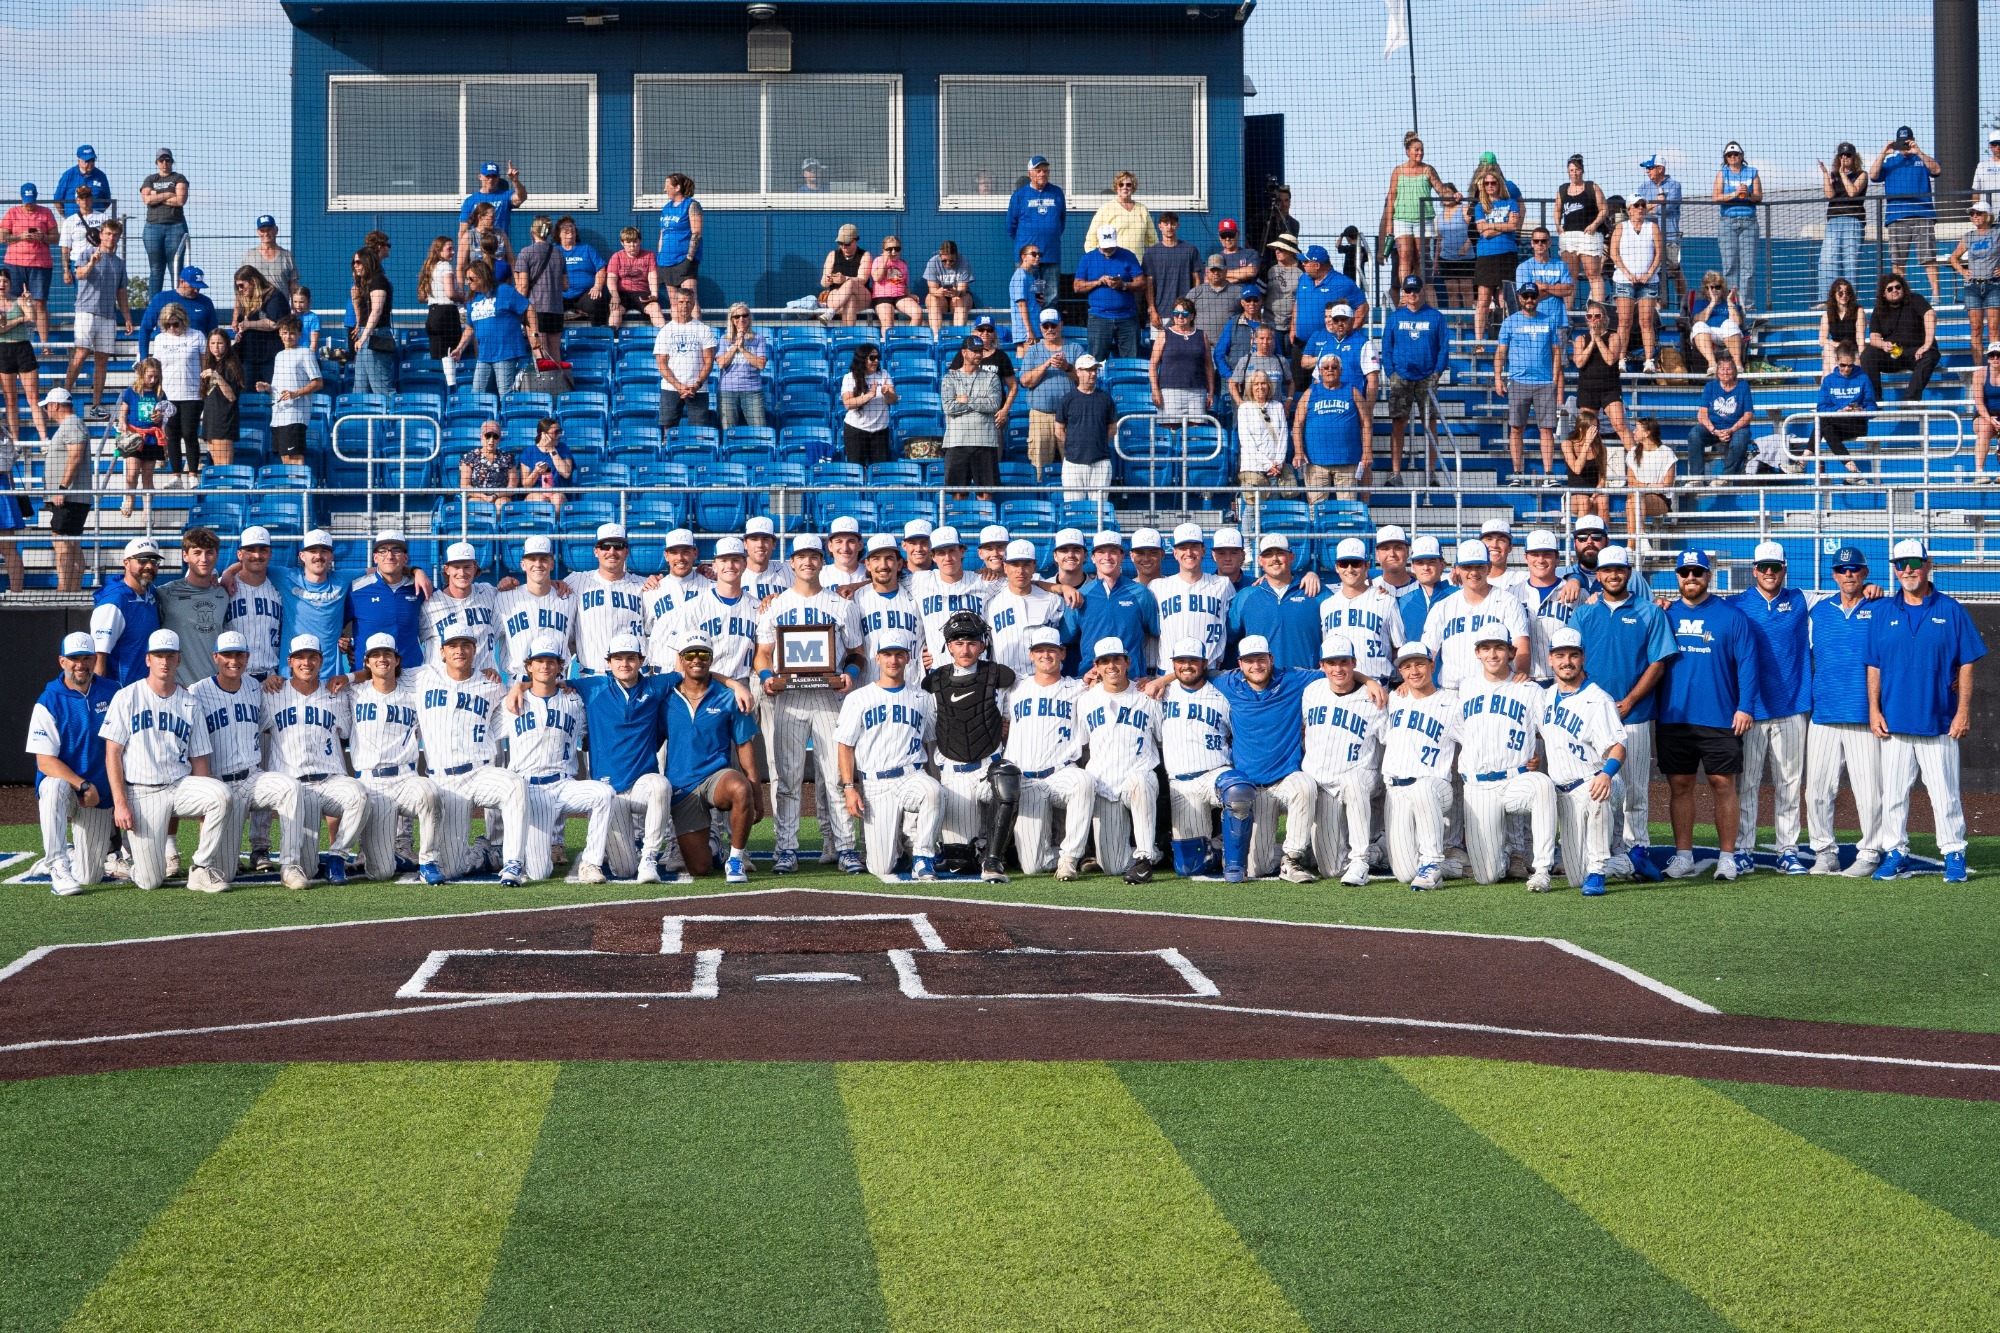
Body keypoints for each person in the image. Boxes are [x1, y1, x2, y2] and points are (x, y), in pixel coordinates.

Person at [1867, 540, 1984, 883]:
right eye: (1900, 564)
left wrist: (1963, 711)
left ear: (1928, 564)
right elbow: (1873, 667)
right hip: (1894, 723)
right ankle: (1895, 852)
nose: (1907, 570)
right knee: (1893, 796)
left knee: (1945, 793)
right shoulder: (1883, 611)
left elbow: (1966, 665)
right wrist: (1874, 710)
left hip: (1940, 721)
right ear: (1894, 568)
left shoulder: (1951, 609)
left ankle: (1953, 853)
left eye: (1914, 562)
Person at [755, 534, 864, 873]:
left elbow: (856, 652)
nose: (808, 562)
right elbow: (762, 654)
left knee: (834, 775)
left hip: (828, 696)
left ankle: (846, 847)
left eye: (814, 556)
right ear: (791, 562)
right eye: (801, 556)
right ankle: (786, 848)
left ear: (822, 561)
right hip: (789, 697)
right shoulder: (775, 605)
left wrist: (850, 673)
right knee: (786, 778)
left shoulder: (841, 605)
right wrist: (765, 677)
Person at [1567, 545, 1674, 880]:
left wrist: (1628, 701)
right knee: (1596, 788)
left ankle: (1636, 851)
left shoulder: (1649, 611)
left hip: (1635, 715)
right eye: (1606, 570)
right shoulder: (1584, 613)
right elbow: (1572, 662)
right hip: (1591, 720)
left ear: (1629, 573)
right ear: (1597, 575)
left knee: (1636, 790)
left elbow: (1658, 663)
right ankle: (1602, 852)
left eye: (1619, 570)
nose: (1613, 575)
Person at [99, 629, 232, 893]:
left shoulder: (190, 703)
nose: (164, 662)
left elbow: (199, 758)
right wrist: (121, 804)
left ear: (178, 660)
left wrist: (204, 804)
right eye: (159, 655)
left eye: (170, 656)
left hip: (180, 786)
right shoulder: (127, 697)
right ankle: (126, 859)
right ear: (148, 659)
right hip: (143, 792)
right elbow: (112, 754)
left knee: (221, 794)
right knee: (150, 881)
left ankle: (200, 869)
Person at [1656, 549, 1756, 881]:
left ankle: (1727, 856)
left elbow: (1747, 664)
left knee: (1723, 784)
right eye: (1685, 573)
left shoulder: (1732, 616)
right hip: (1675, 716)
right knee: (1680, 785)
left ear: (1708, 576)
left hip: (1720, 716)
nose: (1691, 578)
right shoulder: (1664, 615)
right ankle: (1684, 855)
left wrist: (1745, 707)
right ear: (1677, 577)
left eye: (1697, 572)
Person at [190, 630, 313, 889]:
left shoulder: (256, 688)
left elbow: (271, 723)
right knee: (225, 872)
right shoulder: (197, 692)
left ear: (247, 657)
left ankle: (290, 865)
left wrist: (276, 681)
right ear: (215, 657)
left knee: (290, 788)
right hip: (220, 785)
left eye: (239, 655)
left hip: (252, 778)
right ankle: (207, 866)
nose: (233, 660)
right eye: (227, 655)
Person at [410, 626, 530, 885]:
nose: (459, 651)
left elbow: (531, 691)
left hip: (479, 772)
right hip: (444, 781)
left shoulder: (491, 684)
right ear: (441, 652)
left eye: (465, 645)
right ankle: (483, 854)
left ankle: (513, 862)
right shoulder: (421, 677)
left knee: (515, 785)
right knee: (451, 869)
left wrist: (521, 684)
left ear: (475, 651)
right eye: (453, 645)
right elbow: (383, 672)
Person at [499, 635, 619, 884]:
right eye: (539, 661)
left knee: (603, 794)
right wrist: (517, 687)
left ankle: (591, 863)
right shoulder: (512, 703)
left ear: (560, 666)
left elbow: (588, 736)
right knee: (539, 872)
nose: (545, 666)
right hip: (530, 789)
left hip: (564, 785)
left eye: (551, 661)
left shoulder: (574, 701)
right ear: (529, 666)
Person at [1725, 540, 1813, 874]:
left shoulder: (1802, 599)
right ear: (1754, 570)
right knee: (1747, 783)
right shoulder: (1735, 605)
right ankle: (1744, 847)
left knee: (1789, 783)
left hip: (1791, 708)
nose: (1769, 573)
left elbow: (1844, 597)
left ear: (1784, 569)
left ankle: (1787, 850)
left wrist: (1873, 590)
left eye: (1775, 567)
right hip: (1750, 711)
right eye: (1763, 567)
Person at [1801, 546, 1887, 878]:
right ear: (1833, 575)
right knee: (1817, 790)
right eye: (1841, 569)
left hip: (1864, 716)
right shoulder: (1818, 612)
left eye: (1854, 569)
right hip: (1823, 715)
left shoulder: (1881, 608)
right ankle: (1824, 852)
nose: (1848, 574)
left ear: (1865, 573)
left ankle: (1869, 851)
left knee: (1869, 791)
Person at [1452, 625, 1557, 890]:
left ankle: (1542, 867)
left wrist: (1534, 754)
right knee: (1487, 875)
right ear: (1477, 653)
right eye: (1486, 648)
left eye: (1499, 647)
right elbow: (1453, 730)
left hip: (1514, 780)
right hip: (1478, 786)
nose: (1493, 654)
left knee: (1542, 785)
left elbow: (1552, 732)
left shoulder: (1530, 690)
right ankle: (1506, 854)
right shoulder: (1465, 688)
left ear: (1511, 652)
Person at [833, 633, 941, 882]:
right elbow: (845, 745)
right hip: (876, 783)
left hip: (911, 775)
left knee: (933, 791)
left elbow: (931, 739)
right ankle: (900, 851)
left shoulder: (922, 698)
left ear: (908, 658)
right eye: (888, 655)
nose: (894, 660)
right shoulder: (859, 698)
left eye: (899, 655)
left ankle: (923, 855)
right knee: (881, 868)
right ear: (877, 658)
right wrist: (850, 788)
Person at [565, 633, 673, 883]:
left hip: (641, 787)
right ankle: (625, 856)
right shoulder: (592, 687)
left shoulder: (655, 687)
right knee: (624, 870)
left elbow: (691, 674)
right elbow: (549, 683)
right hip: (610, 793)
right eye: (618, 658)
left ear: (642, 660)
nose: (624, 664)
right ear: (609, 662)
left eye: (631, 658)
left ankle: (649, 858)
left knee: (661, 785)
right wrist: (519, 686)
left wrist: (735, 685)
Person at [920, 612, 1019, 880]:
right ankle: (978, 850)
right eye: (959, 643)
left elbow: (1011, 714)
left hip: (988, 767)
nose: (966, 649)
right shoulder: (935, 681)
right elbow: (931, 730)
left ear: (983, 645)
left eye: (972, 643)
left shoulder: (999, 676)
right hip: (954, 772)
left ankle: (994, 859)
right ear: (949, 646)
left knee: (1008, 779)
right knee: (958, 861)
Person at [342, 632, 447, 883]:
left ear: (397, 660)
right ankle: (392, 858)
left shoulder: (415, 691)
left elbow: (453, 670)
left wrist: (524, 683)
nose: (382, 659)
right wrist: (349, 676)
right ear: (366, 662)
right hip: (371, 782)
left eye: (387, 654)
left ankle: (428, 862)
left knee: (430, 793)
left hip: (405, 777)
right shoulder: (353, 693)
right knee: (381, 873)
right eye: (375, 655)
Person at [659, 634, 762, 882]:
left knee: (740, 788)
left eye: (703, 654)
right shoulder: (664, 696)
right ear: (680, 660)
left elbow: (744, 746)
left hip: (717, 777)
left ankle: (736, 860)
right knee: (700, 868)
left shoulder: (728, 697)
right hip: (682, 786)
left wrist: (756, 792)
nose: (697, 659)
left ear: (711, 659)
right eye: (690, 655)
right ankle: (715, 846)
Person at [29, 632, 122, 896]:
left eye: (85, 658)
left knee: (90, 876)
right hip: (72, 788)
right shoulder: (49, 700)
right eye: (73, 659)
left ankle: (67, 855)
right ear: (62, 662)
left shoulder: (114, 691)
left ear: (94, 659)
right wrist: (82, 785)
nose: (80, 664)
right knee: (53, 786)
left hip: (99, 796)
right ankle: (57, 863)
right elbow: (45, 761)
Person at [1073, 636, 1162, 882]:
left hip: (1138, 775)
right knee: (1112, 866)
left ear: (1127, 662)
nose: (1111, 666)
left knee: (1141, 782)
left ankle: (1145, 858)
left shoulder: (1147, 695)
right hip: (1104, 783)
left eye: (1116, 659)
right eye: (1105, 661)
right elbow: (1081, 745)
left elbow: (1164, 739)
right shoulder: (1085, 700)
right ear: (1097, 667)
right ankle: (1156, 851)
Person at [1379, 640, 1458, 889]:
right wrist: (1370, 681)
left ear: (1432, 666)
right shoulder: (1394, 700)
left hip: (1436, 787)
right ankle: (1455, 864)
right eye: (1407, 666)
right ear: (1400, 673)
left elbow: (1475, 742)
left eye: (1420, 664)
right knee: (1404, 873)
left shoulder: (1453, 702)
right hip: (1397, 790)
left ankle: (1433, 861)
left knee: (1423, 788)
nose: (1414, 671)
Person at [1495, 283, 1563, 486]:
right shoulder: (1509, 322)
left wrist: (1554, 380)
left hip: (1544, 383)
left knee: (1547, 429)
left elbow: (1556, 352)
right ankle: (1517, 473)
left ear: (1537, 298)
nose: (1529, 299)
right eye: (1526, 296)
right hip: (1518, 382)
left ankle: (1549, 474)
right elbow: (1500, 352)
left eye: (1533, 296)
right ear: (1519, 298)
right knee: (1516, 428)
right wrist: (1498, 377)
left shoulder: (1549, 322)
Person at [1871, 127, 1944, 303]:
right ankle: (1900, 296)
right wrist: (1883, 152)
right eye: (1900, 143)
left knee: (1928, 257)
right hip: (1897, 217)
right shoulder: (1890, 161)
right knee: (1898, 261)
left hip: (1922, 214)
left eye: (1907, 142)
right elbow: (1873, 175)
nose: (1904, 146)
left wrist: (1918, 151)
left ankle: (1936, 295)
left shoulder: (1920, 158)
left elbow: (1937, 171)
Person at [66, 219, 130, 420]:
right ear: (101, 234)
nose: (111, 238)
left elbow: (121, 292)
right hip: (86, 311)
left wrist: (126, 317)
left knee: (102, 361)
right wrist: (92, 262)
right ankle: (64, 395)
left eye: (115, 235)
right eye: (108, 233)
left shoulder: (119, 263)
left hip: (108, 315)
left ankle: (96, 405)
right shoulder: (86, 253)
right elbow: (79, 275)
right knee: (82, 353)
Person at [154, 527, 227, 685]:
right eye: (197, 552)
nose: (204, 559)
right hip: (180, 687)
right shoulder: (165, 594)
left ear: (216, 555)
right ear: (185, 555)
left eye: (209, 552)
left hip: (214, 687)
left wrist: (231, 571)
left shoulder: (224, 594)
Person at [1292, 353, 1367, 504]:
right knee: (1317, 512)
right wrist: (1299, 451)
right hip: (1316, 462)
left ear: (1340, 370)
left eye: (1334, 367)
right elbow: (1297, 424)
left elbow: (1366, 422)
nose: (1330, 370)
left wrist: (1367, 452)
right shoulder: (1310, 393)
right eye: (1325, 367)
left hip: (1347, 461)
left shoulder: (1352, 391)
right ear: (1320, 371)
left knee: (1349, 512)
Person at [1017, 310, 1081, 478]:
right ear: (1041, 328)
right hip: (1041, 415)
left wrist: (1067, 367)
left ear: (1061, 325)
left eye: (1054, 325)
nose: (1050, 329)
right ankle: (1039, 497)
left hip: (1069, 416)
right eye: (1046, 326)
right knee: (1039, 464)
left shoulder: (1075, 348)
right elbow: (1025, 382)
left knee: (1073, 463)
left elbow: (1087, 378)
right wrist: (1046, 365)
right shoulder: (1033, 351)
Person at [1377, 133, 1444, 292]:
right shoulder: (1398, 171)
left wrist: (1452, 195)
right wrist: (1389, 224)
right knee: (1405, 256)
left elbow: (1440, 188)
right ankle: (1406, 293)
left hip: (1424, 219)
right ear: (1408, 151)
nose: (1420, 153)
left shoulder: (1428, 169)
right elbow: (1391, 198)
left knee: (1420, 257)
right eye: (1416, 150)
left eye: (1422, 150)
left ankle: (1418, 292)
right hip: (1402, 219)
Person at [455, 260, 530, 400]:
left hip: (505, 353)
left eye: (472, 279)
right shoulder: (472, 300)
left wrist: (534, 333)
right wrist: (460, 348)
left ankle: (509, 420)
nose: (468, 283)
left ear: (482, 276)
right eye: (467, 280)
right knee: (477, 395)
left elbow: (528, 308)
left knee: (505, 395)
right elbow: (470, 328)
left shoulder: (504, 291)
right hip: (484, 355)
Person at [1860, 270, 1938, 405]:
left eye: (1898, 287)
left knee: (1931, 355)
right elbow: (1874, 337)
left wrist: (1926, 345)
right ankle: (1874, 400)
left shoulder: (1915, 299)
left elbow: (1930, 315)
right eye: (1889, 289)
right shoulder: (1879, 309)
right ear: (1884, 294)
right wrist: (1883, 345)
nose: (1894, 290)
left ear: (1903, 288)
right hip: (1893, 355)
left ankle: (1911, 399)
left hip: (1916, 353)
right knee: (1868, 354)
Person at [40, 389, 90, 591]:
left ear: (55, 405)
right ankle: (73, 590)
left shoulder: (71, 424)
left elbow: (76, 456)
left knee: (62, 545)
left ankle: (64, 591)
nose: (45, 411)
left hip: (69, 497)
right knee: (71, 545)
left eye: (47, 407)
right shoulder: (71, 424)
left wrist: (61, 488)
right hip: (70, 497)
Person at [940, 336, 1002, 496]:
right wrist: (979, 402)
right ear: (964, 352)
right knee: (958, 493)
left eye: (980, 351)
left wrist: (966, 400)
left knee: (986, 492)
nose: (978, 355)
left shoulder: (992, 377)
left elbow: (994, 405)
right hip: (957, 441)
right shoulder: (950, 378)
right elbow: (948, 406)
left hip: (984, 442)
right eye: (974, 351)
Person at [1054, 353, 1115, 510]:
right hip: (1073, 462)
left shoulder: (1106, 399)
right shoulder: (1067, 399)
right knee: (1074, 509)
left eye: (1094, 369)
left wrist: (1096, 444)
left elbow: (1112, 428)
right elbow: (1058, 429)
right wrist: (1072, 447)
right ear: (1078, 372)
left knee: (1100, 510)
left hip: (1100, 461)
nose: (1093, 373)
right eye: (1088, 370)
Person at [259, 316, 322, 467]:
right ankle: (293, 488)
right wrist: (267, 387)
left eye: (292, 333)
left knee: (295, 457)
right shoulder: (279, 356)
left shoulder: (306, 353)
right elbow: (278, 386)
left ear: (300, 334)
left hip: (295, 414)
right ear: (280, 333)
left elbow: (318, 383)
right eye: (285, 332)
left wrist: (296, 393)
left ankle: (301, 490)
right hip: (278, 414)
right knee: (285, 457)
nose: (288, 336)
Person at [1609, 197, 1662, 372]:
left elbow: (1659, 254)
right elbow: (1614, 253)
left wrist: (1649, 273)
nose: (1640, 208)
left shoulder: (1652, 227)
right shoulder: (1620, 228)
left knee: (1646, 321)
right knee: (1624, 321)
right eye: (1636, 205)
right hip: (1625, 280)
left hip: (1648, 281)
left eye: (1643, 205)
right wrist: (1627, 273)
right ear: (1629, 209)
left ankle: (1649, 361)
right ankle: (1621, 359)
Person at [1075, 226, 1143, 360]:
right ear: (1098, 241)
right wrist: (1098, 282)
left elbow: (1141, 283)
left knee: (1131, 361)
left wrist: (1122, 285)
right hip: (1099, 317)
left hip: (1127, 317)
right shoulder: (1087, 259)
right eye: (1105, 246)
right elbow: (1077, 287)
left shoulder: (1128, 256)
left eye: (1111, 246)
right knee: (1096, 361)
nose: (1109, 249)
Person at [653, 286, 716, 431]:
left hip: (698, 390)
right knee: (668, 429)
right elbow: (662, 364)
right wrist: (678, 386)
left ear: (693, 303)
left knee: (700, 431)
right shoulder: (666, 331)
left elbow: (709, 361)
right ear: (674, 303)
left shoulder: (704, 329)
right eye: (681, 302)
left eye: (688, 302)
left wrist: (696, 385)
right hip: (671, 388)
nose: (684, 305)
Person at [1469, 171, 1521, 342]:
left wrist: (1491, 226)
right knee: (1484, 299)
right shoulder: (1479, 207)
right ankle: (1479, 341)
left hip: (1507, 253)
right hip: (1486, 256)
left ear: (1499, 184)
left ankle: (1507, 339)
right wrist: (1502, 225)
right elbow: (1482, 231)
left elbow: (1513, 225)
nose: (1490, 185)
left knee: (1504, 298)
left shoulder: (1511, 202)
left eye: (1493, 182)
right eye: (1487, 183)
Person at [2, 183, 58, 344]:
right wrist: (21, 237)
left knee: (40, 302)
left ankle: (44, 344)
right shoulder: (12, 212)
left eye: (32, 200)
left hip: (40, 264)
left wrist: (43, 237)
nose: (29, 204)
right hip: (14, 263)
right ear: (21, 198)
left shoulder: (46, 212)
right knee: (12, 301)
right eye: (27, 201)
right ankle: (10, 340)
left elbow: (56, 237)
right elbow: (2, 237)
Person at [1007, 155, 1066, 304]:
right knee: (1026, 296)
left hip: (1051, 253)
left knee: (1051, 297)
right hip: (1027, 258)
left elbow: (1061, 221)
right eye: (1038, 171)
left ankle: (1048, 327)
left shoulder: (1057, 192)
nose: (1042, 174)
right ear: (1030, 174)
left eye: (1045, 171)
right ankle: (1028, 327)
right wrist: (1027, 242)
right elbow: (1010, 226)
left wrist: (1049, 235)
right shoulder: (1019, 195)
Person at [1687, 354, 1755, 481]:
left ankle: (1725, 478)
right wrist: (1714, 431)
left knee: (1741, 438)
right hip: (1713, 429)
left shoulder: (1743, 386)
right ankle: (1696, 479)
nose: (1725, 372)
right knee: (1694, 434)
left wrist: (1731, 430)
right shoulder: (1710, 387)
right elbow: (1701, 415)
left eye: (1728, 369)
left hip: (1736, 429)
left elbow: (1748, 415)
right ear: (1717, 372)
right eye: (1722, 369)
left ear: (1734, 371)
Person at [112, 356, 167, 512]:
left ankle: (147, 511)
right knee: (132, 473)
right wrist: (122, 423)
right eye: (149, 375)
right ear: (142, 373)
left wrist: (161, 416)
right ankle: (129, 500)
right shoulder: (131, 391)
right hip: (134, 437)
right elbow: (123, 413)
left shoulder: (160, 394)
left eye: (156, 376)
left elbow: (166, 415)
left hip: (152, 438)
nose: (152, 379)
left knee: (148, 477)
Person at [1816, 340, 1876, 480]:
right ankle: (1854, 472)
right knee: (1825, 426)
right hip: (1836, 424)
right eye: (1843, 365)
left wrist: (1862, 411)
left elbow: (1872, 407)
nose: (1847, 369)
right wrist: (1839, 410)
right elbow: (1821, 408)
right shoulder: (1829, 380)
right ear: (1837, 361)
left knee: (1822, 424)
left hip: (1857, 424)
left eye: (1850, 365)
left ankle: (1803, 461)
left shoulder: (1863, 378)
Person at [1713, 141, 1762, 309]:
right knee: (1729, 264)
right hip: (1727, 222)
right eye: (1729, 155)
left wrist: (1747, 194)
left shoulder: (1752, 172)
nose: (1733, 157)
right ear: (1726, 158)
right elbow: (1716, 197)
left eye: (1736, 154)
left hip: (1748, 221)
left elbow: (1759, 197)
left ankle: (1747, 303)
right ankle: (1732, 302)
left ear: (1741, 156)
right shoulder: (1722, 173)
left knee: (1748, 265)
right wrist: (1735, 194)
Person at [134, 148, 190, 296]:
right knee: (156, 269)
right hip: (153, 227)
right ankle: (153, 305)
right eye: (161, 160)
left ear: (172, 161)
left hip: (176, 226)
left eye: (168, 160)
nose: (164, 163)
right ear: (157, 162)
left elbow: (180, 200)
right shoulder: (151, 179)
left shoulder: (179, 178)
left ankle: (178, 301)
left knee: (176, 267)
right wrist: (168, 193)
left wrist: (156, 195)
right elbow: (146, 199)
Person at [1556, 155, 1609, 305]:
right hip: (1569, 236)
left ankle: (1599, 310)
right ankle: (1567, 315)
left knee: (1592, 273)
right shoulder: (1562, 189)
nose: (1574, 173)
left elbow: (1604, 209)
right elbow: (1557, 210)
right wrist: (1558, 226)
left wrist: (1594, 225)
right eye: (1571, 170)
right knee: (1570, 275)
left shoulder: (1592, 187)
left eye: (1577, 169)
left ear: (1582, 171)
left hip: (1588, 236)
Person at [514, 215, 567, 365]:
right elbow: (565, 286)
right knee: (555, 354)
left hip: (535, 310)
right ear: (548, 232)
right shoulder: (559, 254)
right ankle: (558, 387)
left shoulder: (526, 252)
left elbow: (523, 287)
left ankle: (544, 387)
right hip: (556, 309)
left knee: (540, 353)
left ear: (532, 231)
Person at [1149, 300, 1213, 422]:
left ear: (1192, 315)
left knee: (1196, 434)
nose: (1180, 316)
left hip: (1197, 391)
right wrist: (1155, 390)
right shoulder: (1164, 334)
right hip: (1170, 392)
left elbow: (1208, 365)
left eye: (1184, 313)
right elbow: (1153, 365)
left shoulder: (1202, 335)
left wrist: (1210, 392)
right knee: (1171, 430)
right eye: (1176, 313)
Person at [0, 271, 45, 445]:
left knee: (33, 398)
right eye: (0, 281)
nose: (2, 284)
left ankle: (44, 439)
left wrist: (28, 303)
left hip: (23, 349)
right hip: (3, 351)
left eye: (5, 281)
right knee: (10, 400)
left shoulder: (19, 300)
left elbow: (32, 318)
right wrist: (20, 319)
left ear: (10, 284)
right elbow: (0, 329)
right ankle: (15, 442)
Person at [1951, 200, 2000, 356]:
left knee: (1993, 328)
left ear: (1987, 215)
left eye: (1978, 213)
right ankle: (1979, 369)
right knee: (1976, 329)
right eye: (1972, 214)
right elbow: (1953, 258)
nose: (1975, 216)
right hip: (1972, 287)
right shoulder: (1969, 237)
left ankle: (1996, 370)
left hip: (1993, 285)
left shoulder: (1997, 233)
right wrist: (1962, 271)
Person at [1819, 143, 1869, 294]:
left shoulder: (1861, 174)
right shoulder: (1833, 175)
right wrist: (1826, 175)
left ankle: (1850, 298)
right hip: (1834, 220)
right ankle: (1826, 298)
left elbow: (1853, 192)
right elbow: (1829, 195)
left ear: (1854, 158)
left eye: (1848, 155)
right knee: (1827, 259)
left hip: (1852, 219)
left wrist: (1842, 174)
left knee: (1850, 261)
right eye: (1842, 155)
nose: (1844, 158)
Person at [136, 267, 216, 360]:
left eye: (199, 287)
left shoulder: (206, 302)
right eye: (193, 286)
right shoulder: (161, 298)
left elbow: (213, 333)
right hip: (167, 356)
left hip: (196, 359)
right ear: (181, 282)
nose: (196, 290)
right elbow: (145, 328)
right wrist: (143, 358)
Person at [348, 248, 396, 396]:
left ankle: (391, 419)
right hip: (364, 335)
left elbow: (376, 311)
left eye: (359, 262)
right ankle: (360, 418)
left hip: (375, 335)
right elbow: (362, 312)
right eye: (353, 262)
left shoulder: (378, 280)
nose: (355, 265)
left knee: (381, 387)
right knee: (360, 389)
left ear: (367, 262)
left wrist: (363, 338)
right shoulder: (363, 284)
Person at [230, 265, 286, 389]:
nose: (239, 289)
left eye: (242, 285)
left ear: (253, 282)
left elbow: (274, 323)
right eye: (237, 286)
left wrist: (249, 325)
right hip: (249, 358)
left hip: (271, 357)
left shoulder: (274, 296)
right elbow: (243, 323)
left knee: (274, 392)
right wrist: (240, 332)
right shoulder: (246, 299)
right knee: (246, 395)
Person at [416, 236, 462, 390]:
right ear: (439, 250)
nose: (453, 252)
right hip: (446, 314)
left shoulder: (430, 267)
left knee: (437, 358)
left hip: (433, 315)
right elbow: (451, 293)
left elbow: (422, 297)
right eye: (449, 248)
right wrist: (466, 298)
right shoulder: (445, 267)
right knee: (450, 356)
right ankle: (451, 390)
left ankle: (436, 390)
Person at [1142, 212, 1202, 331]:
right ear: (1160, 226)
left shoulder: (1190, 250)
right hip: (1160, 313)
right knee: (1160, 348)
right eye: (1166, 224)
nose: (1169, 227)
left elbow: (1197, 280)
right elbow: (1148, 284)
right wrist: (1152, 310)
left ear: (1177, 226)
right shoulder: (1151, 253)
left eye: (1172, 224)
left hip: (1185, 313)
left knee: (1186, 347)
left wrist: (1193, 307)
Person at [714, 303, 769, 429]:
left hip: (752, 390)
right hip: (727, 390)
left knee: (760, 430)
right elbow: (721, 363)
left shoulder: (759, 339)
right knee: (729, 431)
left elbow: (760, 364)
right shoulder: (724, 339)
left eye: (745, 315)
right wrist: (735, 346)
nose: (741, 319)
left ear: (749, 317)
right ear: (731, 320)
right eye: (736, 316)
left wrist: (742, 348)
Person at [839, 343, 896, 465]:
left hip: (880, 431)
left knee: (880, 471)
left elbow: (893, 400)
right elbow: (848, 403)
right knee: (856, 469)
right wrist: (869, 395)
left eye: (877, 357)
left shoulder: (884, 374)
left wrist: (887, 393)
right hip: (856, 430)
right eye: (872, 358)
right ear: (862, 359)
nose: (876, 361)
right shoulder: (850, 378)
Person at [1086, 170, 1155, 260]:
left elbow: (1152, 239)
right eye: (1121, 184)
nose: (1124, 187)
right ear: (1116, 187)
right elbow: (1091, 238)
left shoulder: (1142, 209)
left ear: (1133, 187)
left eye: (1128, 184)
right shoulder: (1106, 209)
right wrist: (1098, 261)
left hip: (1138, 266)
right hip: (1114, 263)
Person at [654, 172, 702, 301]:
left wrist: (689, 259)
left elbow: (696, 233)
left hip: (683, 260)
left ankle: (695, 322)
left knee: (690, 301)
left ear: (677, 188)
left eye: (667, 186)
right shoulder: (666, 208)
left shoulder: (691, 205)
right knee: (675, 302)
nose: (664, 189)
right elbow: (662, 234)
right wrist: (660, 257)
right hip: (666, 261)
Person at [199, 329, 242, 469]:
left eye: (220, 343)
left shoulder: (231, 364)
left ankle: (227, 490)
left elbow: (231, 396)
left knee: (225, 465)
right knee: (217, 465)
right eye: (212, 343)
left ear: (226, 344)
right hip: (210, 417)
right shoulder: (210, 363)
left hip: (224, 419)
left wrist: (217, 376)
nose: (216, 347)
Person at [816, 223, 874, 327]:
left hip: (861, 295)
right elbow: (823, 282)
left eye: (847, 243)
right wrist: (831, 280)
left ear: (856, 240)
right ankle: (849, 336)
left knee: (851, 283)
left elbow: (863, 280)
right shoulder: (832, 255)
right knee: (850, 299)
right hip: (837, 295)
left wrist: (845, 279)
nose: (843, 246)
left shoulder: (865, 255)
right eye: (840, 243)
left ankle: (830, 312)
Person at [605, 227, 664, 329]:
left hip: (643, 293)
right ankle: (612, 336)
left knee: (655, 308)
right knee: (615, 310)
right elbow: (611, 279)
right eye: (628, 242)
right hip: (623, 294)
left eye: (635, 241)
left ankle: (664, 337)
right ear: (622, 243)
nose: (632, 245)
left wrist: (654, 295)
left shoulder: (649, 255)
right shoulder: (616, 257)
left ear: (640, 241)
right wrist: (614, 295)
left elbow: (652, 276)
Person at [1688, 272, 1747, 370]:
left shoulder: (1729, 303)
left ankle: (1738, 365)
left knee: (1729, 323)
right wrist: (1712, 303)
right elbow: (1697, 320)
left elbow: (1737, 322)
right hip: (1707, 334)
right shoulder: (1700, 303)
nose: (1714, 290)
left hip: (1728, 333)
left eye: (1717, 287)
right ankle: (1712, 364)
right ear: (1705, 289)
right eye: (1710, 288)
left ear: (1723, 289)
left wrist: (1729, 301)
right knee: (1699, 326)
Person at [555, 216, 607, 326]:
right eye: (565, 228)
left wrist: (597, 286)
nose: (569, 230)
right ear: (559, 233)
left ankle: (599, 335)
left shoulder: (586, 248)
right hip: (559, 296)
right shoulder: (552, 250)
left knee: (597, 301)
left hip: (584, 295)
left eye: (571, 227)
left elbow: (601, 268)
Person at [1562, 408, 1608, 521]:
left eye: (1596, 427)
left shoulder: (1601, 448)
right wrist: (1586, 444)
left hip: (1593, 492)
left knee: (1603, 500)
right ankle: (1580, 535)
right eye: (1591, 427)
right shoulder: (1568, 444)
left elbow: (1602, 478)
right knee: (1584, 500)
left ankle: (1604, 536)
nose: (1594, 430)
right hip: (1574, 494)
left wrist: (1593, 496)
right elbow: (1577, 469)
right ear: (1581, 428)